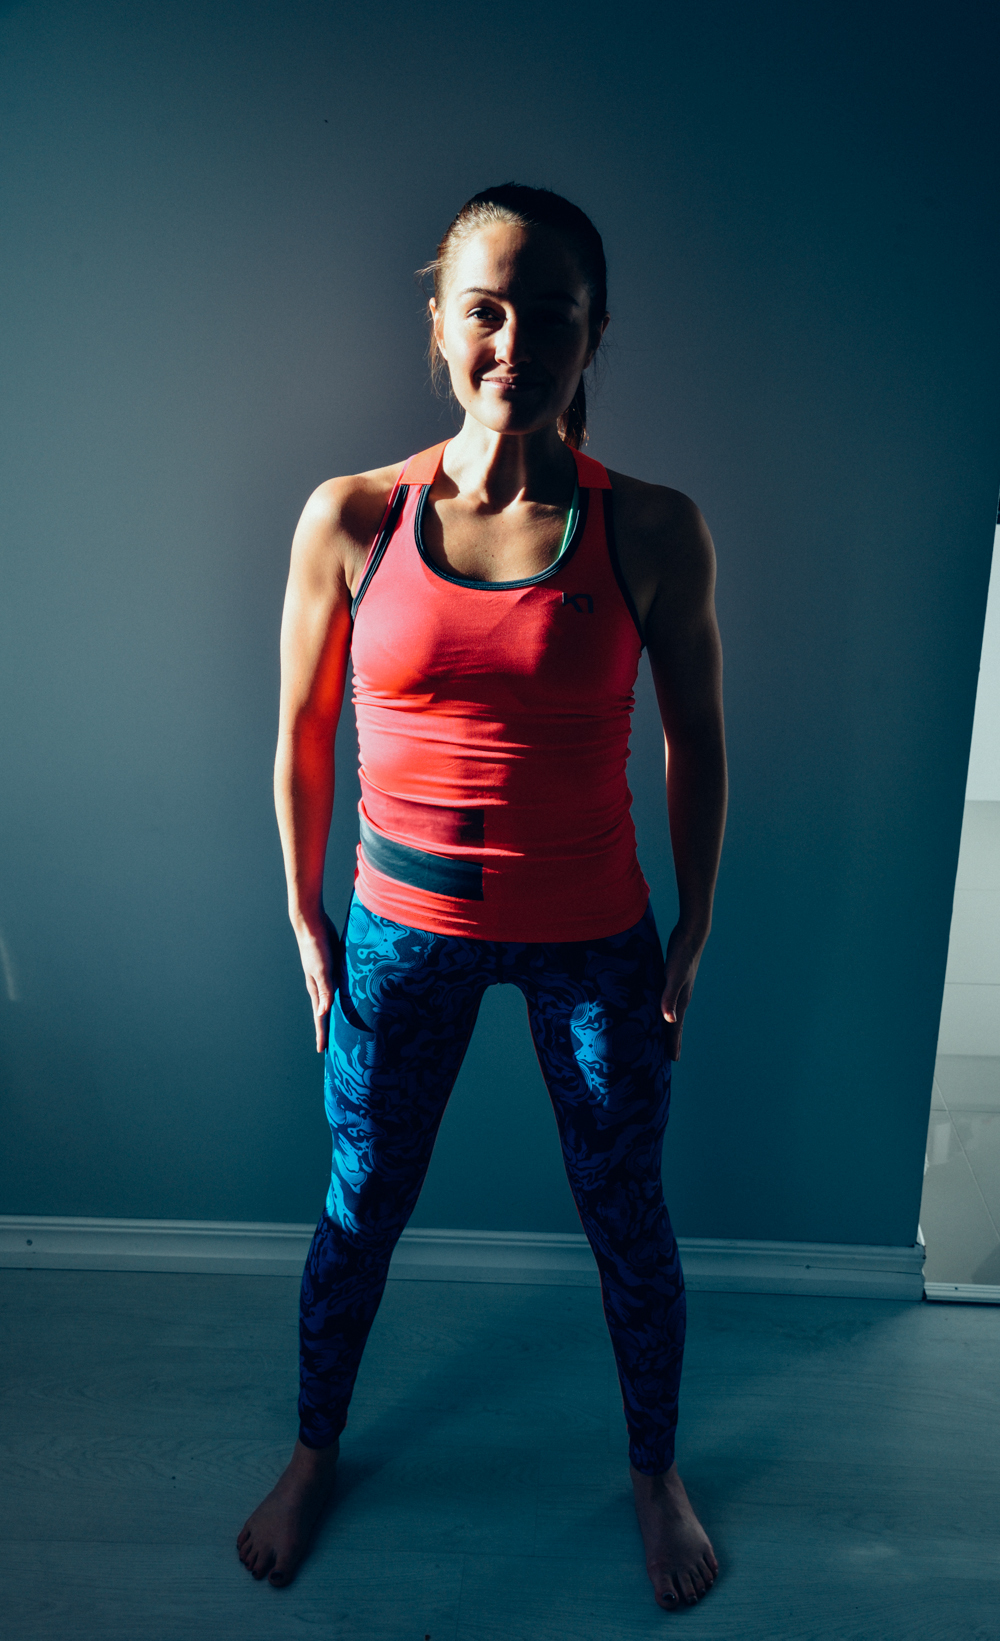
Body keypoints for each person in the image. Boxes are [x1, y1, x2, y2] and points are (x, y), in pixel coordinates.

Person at [237, 183, 727, 1611]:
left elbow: (698, 741)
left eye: (552, 315)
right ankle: (313, 1452)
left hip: (594, 940)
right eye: (487, 310)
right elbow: (301, 734)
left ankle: (655, 1475)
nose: (516, 342)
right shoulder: (353, 517)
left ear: (595, 335)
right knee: (360, 1205)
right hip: (403, 935)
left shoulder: (652, 530)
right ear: (441, 323)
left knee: (627, 1214)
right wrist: (303, 913)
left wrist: (695, 923)